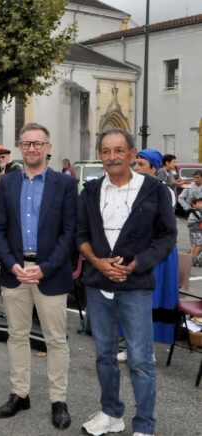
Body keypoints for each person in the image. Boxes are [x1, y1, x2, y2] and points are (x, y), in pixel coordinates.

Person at [77, 128, 176, 436]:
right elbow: (81, 234)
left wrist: (137, 264)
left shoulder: (155, 189)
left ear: (133, 154)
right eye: (106, 151)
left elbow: (167, 236)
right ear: (100, 156)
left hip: (135, 286)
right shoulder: (91, 191)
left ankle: (144, 425)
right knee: (105, 355)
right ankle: (111, 413)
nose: (112, 157)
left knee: (140, 359)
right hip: (98, 283)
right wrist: (96, 262)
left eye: (119, 150)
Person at [0, 122, 76, 430]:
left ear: (48, 147)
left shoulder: (64, 184)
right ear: (20, 147)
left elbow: (70, 232)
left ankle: (58, 400)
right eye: (26, 144)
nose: (32, 148)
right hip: (16, 272)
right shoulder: (8, 183)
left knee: (55, 340)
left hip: (49, 272)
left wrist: (46, 267)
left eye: (38, 143)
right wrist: (11, 264)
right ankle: (20, 393)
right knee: (16, 335)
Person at [127, 149, 179, 353]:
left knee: (153, 298)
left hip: (159, 252)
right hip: (140, 249)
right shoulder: (132, 189)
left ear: (153, 168)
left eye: (141, 164)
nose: (137, 168)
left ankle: (146, 348)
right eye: (135, 164)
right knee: (134, 299)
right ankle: (133, 345)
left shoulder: (163, 191)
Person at [187, 197, 202, 265]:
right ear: (194, 205)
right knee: (199, 244)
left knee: (195, 244)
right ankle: (192, 258)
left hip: (196, 229)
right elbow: (199, 218)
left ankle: (191, 257)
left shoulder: (198, 211)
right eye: (199, 203)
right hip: (195, 229)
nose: (201, 204)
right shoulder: (194, 212)